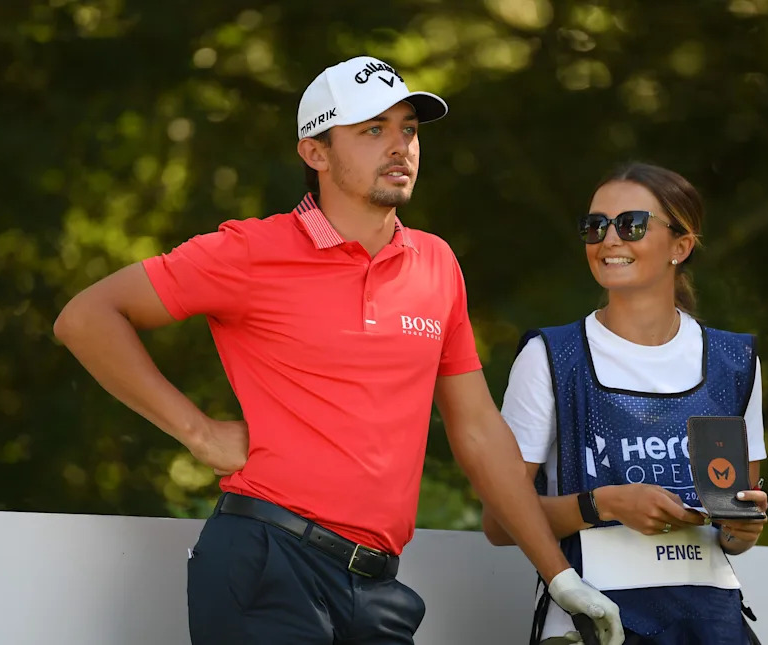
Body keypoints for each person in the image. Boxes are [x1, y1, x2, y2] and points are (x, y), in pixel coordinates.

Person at [53, 56, 624, 645]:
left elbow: (478, 430)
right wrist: (198, 432)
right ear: (315, 152)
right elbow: (87, 318)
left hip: (378, 590)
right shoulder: (250, 250)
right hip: (268, 562)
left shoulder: (436, 263)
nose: (400, 146)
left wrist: (559, 576)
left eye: (408, 129)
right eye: (372, 129)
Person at [482, 162, 768, 644]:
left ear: (681, 246)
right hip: (593, 625)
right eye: (595, 226)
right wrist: (603, 504)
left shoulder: (734, 362)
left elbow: (732, 529)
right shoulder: (552, 356)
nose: (609, 239)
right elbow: (499, 521)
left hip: (711, 627)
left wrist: (742, 531)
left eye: (631, 224)